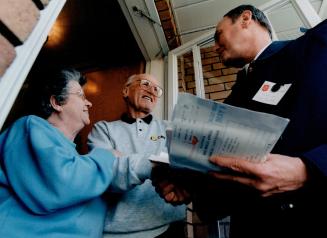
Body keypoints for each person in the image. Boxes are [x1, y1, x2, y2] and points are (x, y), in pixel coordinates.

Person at [152, 4, 327, 238]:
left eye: (218, 35)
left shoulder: (315, 47)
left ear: (246, 19)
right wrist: (190, 186)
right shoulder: (233, 98)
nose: (214, 47)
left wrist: (309, 169)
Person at [0, 68, 150, 238]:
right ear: (57, 102)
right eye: (81, 96)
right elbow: (59, 183)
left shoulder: (78, 161)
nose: (89, 103)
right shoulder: (29, 127)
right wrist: (109, 156)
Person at [88, 74, 186, 238]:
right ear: (126, 91)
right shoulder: (103, 129)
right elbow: (105, 173)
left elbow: (183, 168)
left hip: (169, 228)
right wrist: (156, 162)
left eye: (157, 89)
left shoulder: (170, 129)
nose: (152, 90)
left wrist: (123, 160)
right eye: (146, 84)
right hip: (117, 233)